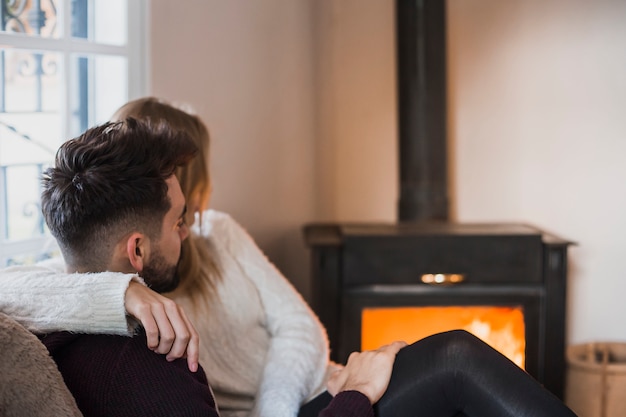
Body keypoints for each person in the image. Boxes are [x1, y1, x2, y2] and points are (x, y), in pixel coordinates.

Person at [0, 100, 579, 417]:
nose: (191, 227)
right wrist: (355, 393)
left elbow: (298, 325)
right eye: (180, 220)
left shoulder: (75, 302)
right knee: (453, 359)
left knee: (445, 363)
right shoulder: (149, 373)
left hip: (305, 398)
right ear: (137, 247)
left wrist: (113, 291)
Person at [1, 97, 334, 417]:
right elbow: (7, 290)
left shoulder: (217, 232)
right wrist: (122, 291)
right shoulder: (87, 272)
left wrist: (273, 410)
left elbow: (301, 326)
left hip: (310, 389)